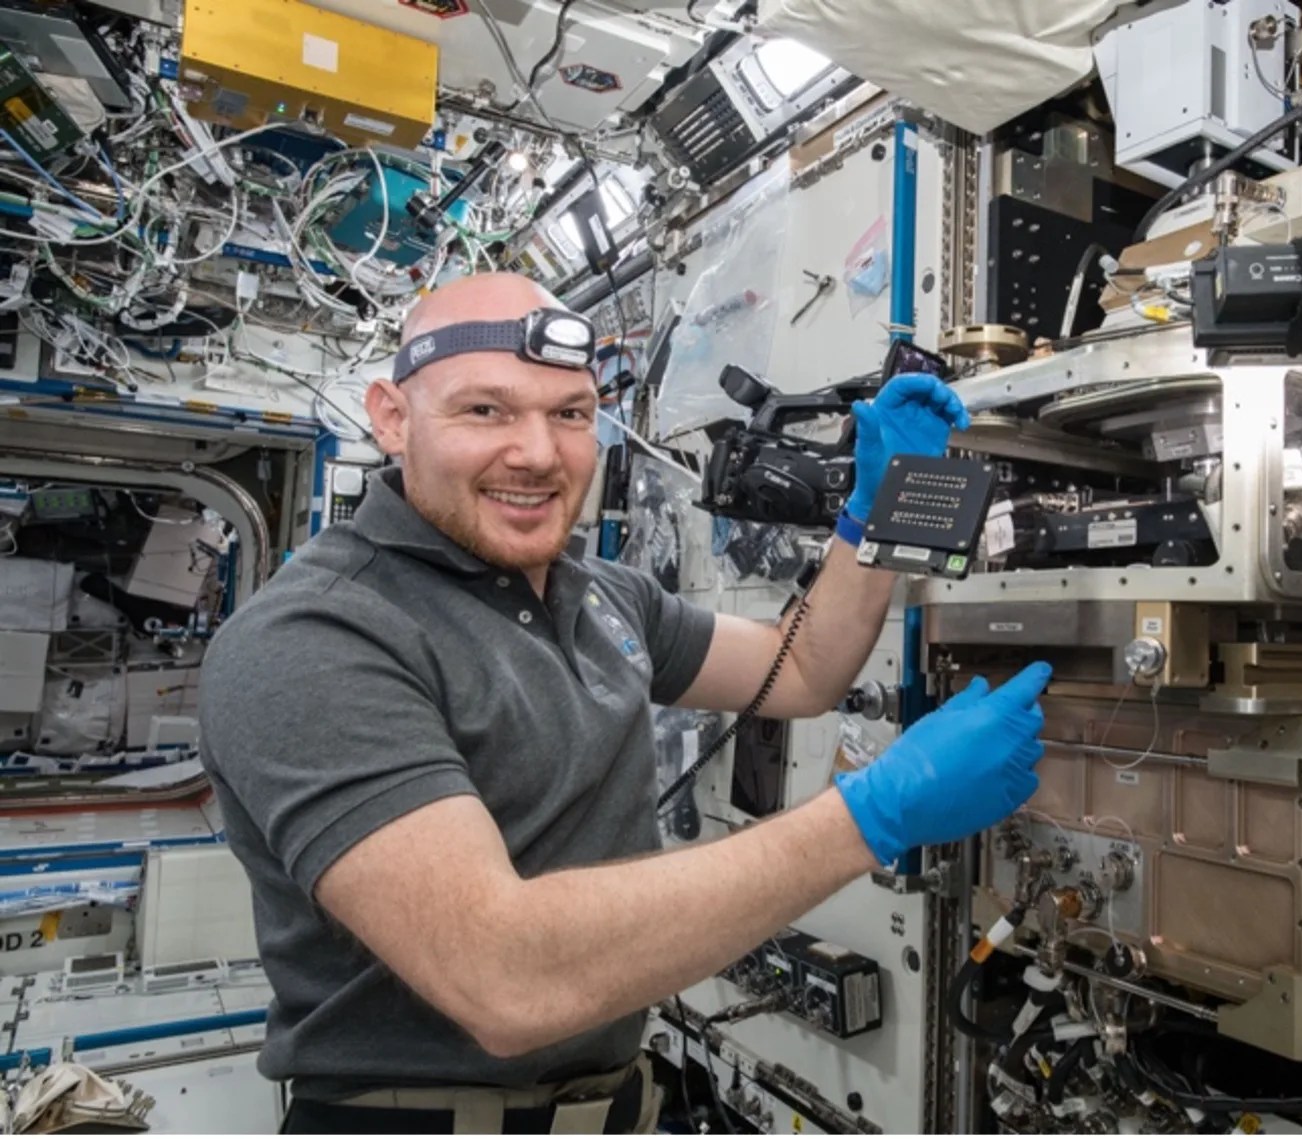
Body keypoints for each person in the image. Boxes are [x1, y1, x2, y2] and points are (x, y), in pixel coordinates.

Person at [199, 272, 1052, 1134]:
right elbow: (505, 976)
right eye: (485, 411)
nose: (536, 452)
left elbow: (797, 674)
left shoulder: (603, 594)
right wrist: (874, 812)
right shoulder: (316, 637)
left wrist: (873, 517)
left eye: (568, 413)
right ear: (391, 417)